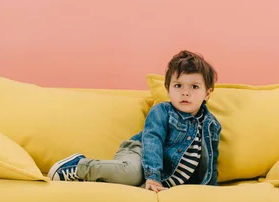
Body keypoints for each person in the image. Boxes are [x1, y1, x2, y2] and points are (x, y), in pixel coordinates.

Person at [48, 50, 222, 192]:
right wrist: (153, 176)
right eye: (178, 86)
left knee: (131, 185)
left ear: (207, 93)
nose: (185, 92)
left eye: (194, 87)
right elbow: (152, 139)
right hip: (139, 152)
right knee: (132, 174)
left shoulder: (211, 125)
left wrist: (210, 187)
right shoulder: (162, 111)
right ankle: (79, 165)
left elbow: (211, 160)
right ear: (168, 90)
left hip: (162, 176)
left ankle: (93, 178)